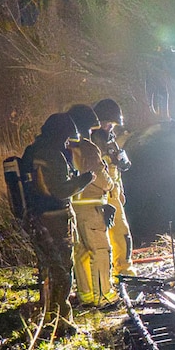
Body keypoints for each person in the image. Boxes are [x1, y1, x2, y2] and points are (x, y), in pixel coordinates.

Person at [22, 112, 94, 336]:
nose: (66, 142)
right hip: (54, 219)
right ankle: (60, 322)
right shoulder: (51, 154)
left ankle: (45, 316)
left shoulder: (31, 151)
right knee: (62, 271)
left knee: (47, 269)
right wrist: (85, 179)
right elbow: (61, 190)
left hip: (35, 217)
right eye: (66, 138)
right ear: (59, 134)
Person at [65, 104, 120, 307]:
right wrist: (111, 181)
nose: (91, 132)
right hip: (92, 208)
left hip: (74, 207)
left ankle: (86, 296)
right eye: (90, 128)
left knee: (81, 253)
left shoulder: (66, 148)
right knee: (100, 250)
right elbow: (101, 178)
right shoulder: (87, 148)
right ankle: (104, 296)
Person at [92, 98, 136, 275]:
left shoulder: (110, 140)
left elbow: (117, 167)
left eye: (112, 124)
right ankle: (103, 278)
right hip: (99, 195)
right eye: (106, 123)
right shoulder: (92, 140)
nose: (109, 127)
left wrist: (120, 190)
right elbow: (95, 168)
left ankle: (124, 273)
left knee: (122, 235)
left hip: (113, 193)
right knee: (100, 241)